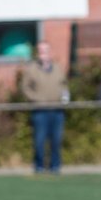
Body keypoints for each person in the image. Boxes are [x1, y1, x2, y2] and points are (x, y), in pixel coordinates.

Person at [20, 40, 68, 174]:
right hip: (40, 111)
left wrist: (64, 97)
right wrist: (36, 99)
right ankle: (39, 166)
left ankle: (55, 166)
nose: (43, 54)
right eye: (40, 51)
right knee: (39, 141)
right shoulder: (31, 69)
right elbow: (25, 88)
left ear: (50, 52)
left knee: (56, 140)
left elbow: (64, 85)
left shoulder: (58, 68)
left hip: (57, 110)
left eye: (45, 51)